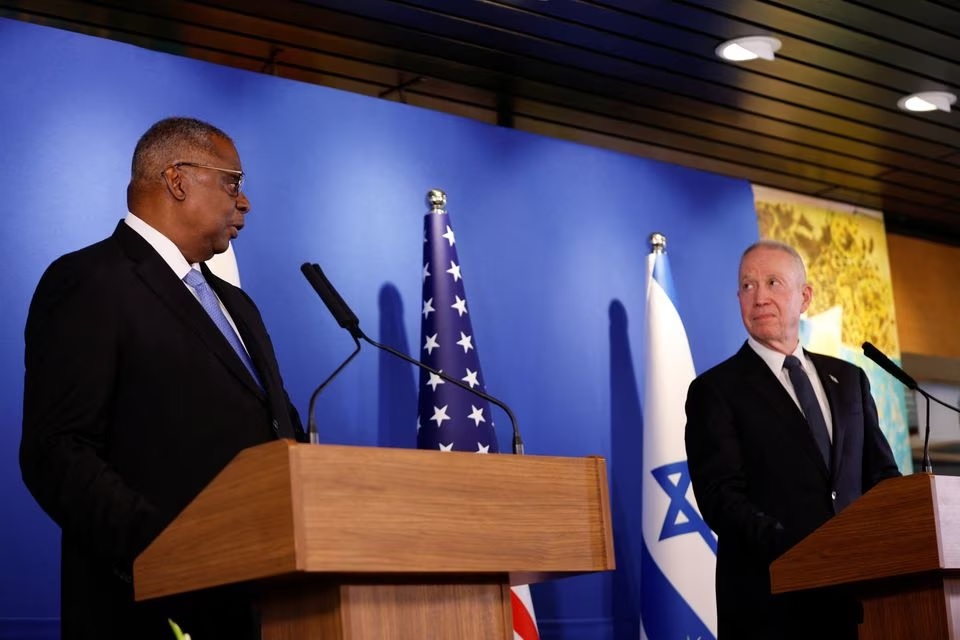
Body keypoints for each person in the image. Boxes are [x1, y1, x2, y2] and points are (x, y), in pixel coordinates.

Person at [19, 117, 305, 640]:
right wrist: (170, 547)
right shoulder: (90, 280)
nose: (244, 203)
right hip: (153, 607)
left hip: (266, 603)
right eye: (232, 182)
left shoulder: (237, 304)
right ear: (177, 180)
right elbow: (57, 451)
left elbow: (276, 432)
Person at [684, 239, 901, 640]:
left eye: (772, 282)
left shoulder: (849, 379)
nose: (759, 296)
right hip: (770, 604)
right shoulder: (715, 389)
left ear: (804, 297)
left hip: (861, 603)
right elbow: (720, 497)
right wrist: (807, 552)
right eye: (748, 286)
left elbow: (882, 477)